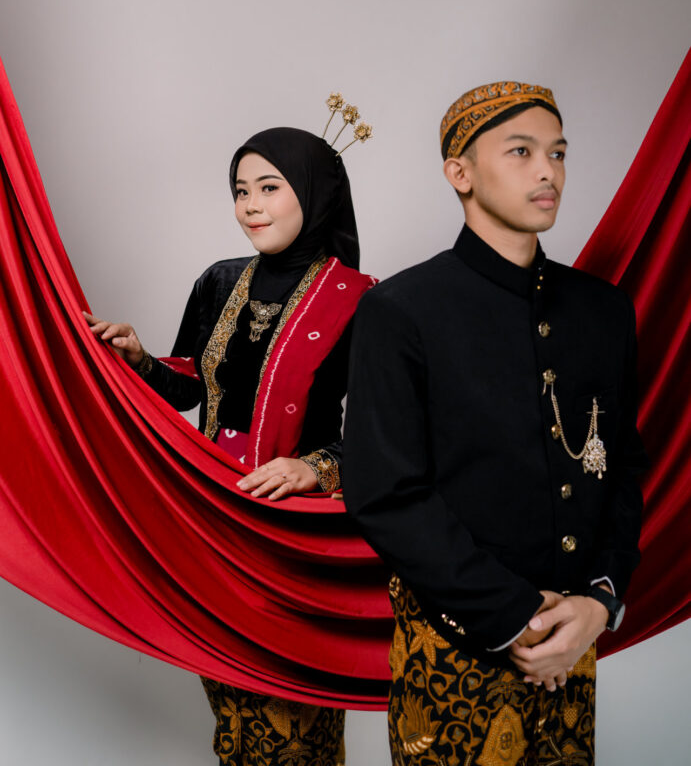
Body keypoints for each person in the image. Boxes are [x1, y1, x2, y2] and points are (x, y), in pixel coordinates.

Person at [343, 82, 647, 766]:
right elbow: (385, 493)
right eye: (521, 152)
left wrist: (599, 602)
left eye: (558, 153)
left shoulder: (602, 310)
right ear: (460, 173)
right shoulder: (401, 310)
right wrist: (512, 616)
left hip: (572, 645)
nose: (548, 172)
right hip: (454, 651)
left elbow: (622, 465)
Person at [85, 112, 375, 766]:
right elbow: (191, 384)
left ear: (315, 192)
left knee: (292, 722)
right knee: (233, 711)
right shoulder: (220, 280)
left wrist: (315, 468)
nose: (249, 206)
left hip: (294, 533)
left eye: (269, 188)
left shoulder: (360, 300)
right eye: (240, 190)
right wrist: (140, 359)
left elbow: (389, 433)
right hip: (212, 518)